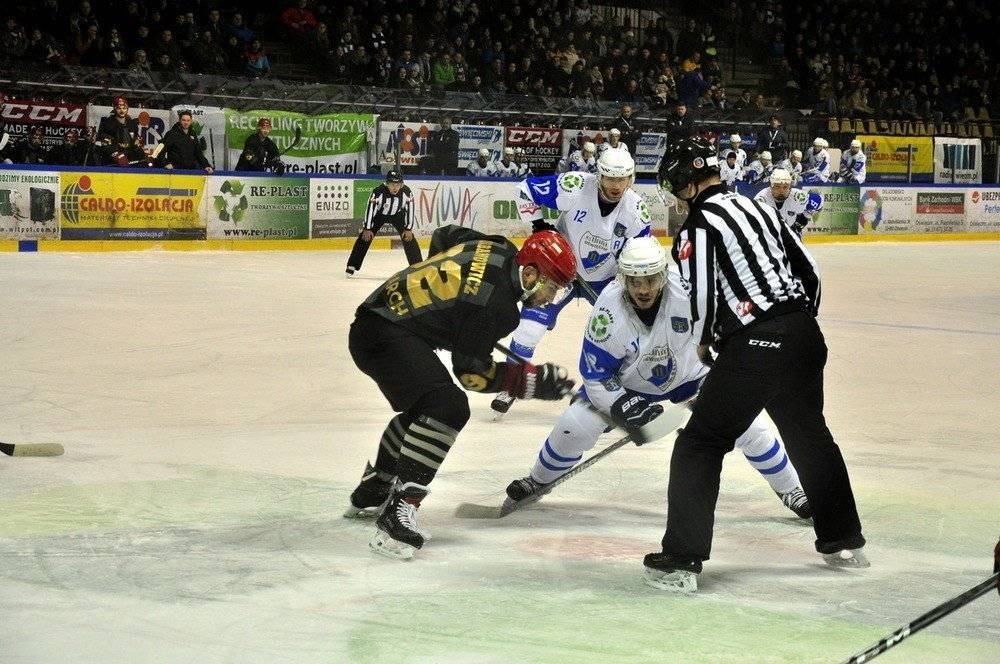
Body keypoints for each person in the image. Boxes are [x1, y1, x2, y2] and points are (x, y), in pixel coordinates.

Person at [647, 137, 867, 593]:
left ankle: (681, 559)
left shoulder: (698, 225)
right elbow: (809, 270)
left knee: (701, 443)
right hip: (805, 336)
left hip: (756, 343)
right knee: (809, 434)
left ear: (686, 183)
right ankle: (843, 539)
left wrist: (706, 342)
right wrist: (796, 324)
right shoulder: (760, 207)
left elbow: (701, 295)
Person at [504, 237, 812, 519]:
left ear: (663, 275)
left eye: (651, 279)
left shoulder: (692, 294)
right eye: (635, 281)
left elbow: (732, 332)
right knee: (575, 426)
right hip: (627, 385)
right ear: (623, 279)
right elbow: (596, 374)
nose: (643, 289)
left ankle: (792, 490)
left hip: (692, 377)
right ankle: (537, 480)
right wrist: (622, 405)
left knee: (748, 426)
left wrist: (728, 371)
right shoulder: (607, 313)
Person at [346, 225, 578, 559]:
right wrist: (531, 382)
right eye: (551, 286)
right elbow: (472, 374)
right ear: (529, 274)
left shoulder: (498, 247)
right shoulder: (497, 307)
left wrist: (440, 304)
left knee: (426, 408)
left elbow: (444, 235)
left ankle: (376, 485)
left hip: (377, 317)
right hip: (383, 336)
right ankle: (398, 511)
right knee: (448, 407)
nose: (550, 298)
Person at [491, 150, 651, 416]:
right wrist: (540, 225)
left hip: (605, 280)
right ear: (599, 175)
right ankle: (513, 383)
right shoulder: (575, 185)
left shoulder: (637, 212)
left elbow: (640, 254)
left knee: (621, 337)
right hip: (558, 273)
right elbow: (525, 191)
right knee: (529, 329)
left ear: (630, 179)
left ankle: (613, 393)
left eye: (622, 179)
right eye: (610, 178)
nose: (616, 185)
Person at [346, 170, 422, 276]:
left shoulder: (407, 192)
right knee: (365, 237)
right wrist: (367, 228)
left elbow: (410, 209)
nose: (395, 187)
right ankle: (352, 265)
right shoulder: (378, 191)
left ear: (401, 184)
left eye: (397, 184)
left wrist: (408, 228)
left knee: (408, 237)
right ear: (387, 183)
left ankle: (417, 267)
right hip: (379, 215)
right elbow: (370, 208)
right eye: (392, 184)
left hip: (398, 215)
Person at [754, 168, 823, 236]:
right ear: (771, 186)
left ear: (790, 187)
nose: (781, 191)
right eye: (777, 187)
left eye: (785, 187)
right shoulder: (761, 200)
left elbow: (819, 202)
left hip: (790, 231)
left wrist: (803, 220)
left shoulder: (799, 197)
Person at [96, 96, 143, 166]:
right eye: (119, 108)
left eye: (124, 108)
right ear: (115, 108)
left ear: (127, 109)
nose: (122, 111)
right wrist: (116, 154)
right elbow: (103, 142)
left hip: (129, 157)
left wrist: (138, 144)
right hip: (112, 159)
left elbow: (135, 139)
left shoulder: (132, 123)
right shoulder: (107, 122)